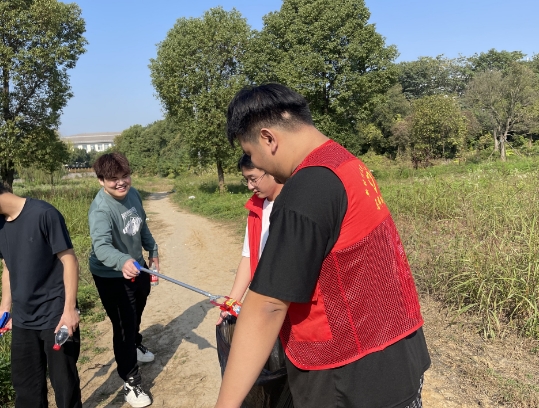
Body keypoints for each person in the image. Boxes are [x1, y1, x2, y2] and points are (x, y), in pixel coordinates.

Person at [215, 83, 431, 408]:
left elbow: (267, 307)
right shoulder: (347, 164)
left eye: (251, 153)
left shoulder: (306, 189)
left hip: (350, 380)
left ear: (268, 138)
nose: (256, 164)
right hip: (398, 357)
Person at [0, 184, 82, 408]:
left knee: (65, 386)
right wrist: (5, 309)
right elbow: (8, 266)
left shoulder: (44, 214)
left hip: (56, 314)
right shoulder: (1, 225)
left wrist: (69, 310)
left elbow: (70, 261)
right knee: (26, 388)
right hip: (23, 318)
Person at [88, 153, 158, 408]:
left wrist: (153, 250)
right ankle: (130, 382)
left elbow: (141, 225)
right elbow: (102, 247)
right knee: (123, 327)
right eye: (113, 179)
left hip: (137, 267)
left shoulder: (133, 194)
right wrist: (122, 261)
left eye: (124, 176)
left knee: (137, 310)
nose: (121, 183)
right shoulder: (101, 209)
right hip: (111, 276)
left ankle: (135, 345)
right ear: (101, 181)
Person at [217, 154, 283, 323]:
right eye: (246, 180)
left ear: (271, 170)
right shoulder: (256, 208)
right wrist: (231, 304)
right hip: (264, 300)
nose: (249, 186)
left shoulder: (293, 207)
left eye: (253, 179)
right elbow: (248, 257)